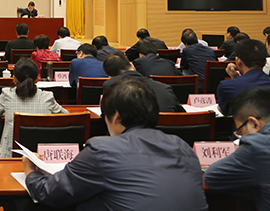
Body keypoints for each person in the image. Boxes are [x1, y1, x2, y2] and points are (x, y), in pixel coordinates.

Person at [23, 77, 208, 211]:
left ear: (116, 116)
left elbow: (50, 193)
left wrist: (30, 171)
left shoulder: (102, 150)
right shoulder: (184, 147)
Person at [204, 87, 270, 210]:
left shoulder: (257, 146)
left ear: (254, 124)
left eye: (240, 131)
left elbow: (212, 178)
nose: (240, 136)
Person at [0, 58, 68, 157]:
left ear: (14, 78)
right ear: (37, 79)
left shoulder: (7, 94)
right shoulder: (47, 97)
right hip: (40, 157)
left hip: (10, 156)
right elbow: (65, 116)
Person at [103, 53, 184, 113]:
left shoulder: (111, 86)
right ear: (132, 66)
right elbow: (181, 115)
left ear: (110, 76)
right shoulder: (164, 88)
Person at [217, 39, 270, 115]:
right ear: (265, 62)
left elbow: (223, 112)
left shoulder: (226, 87)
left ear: (238, 61)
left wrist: (234, 78)